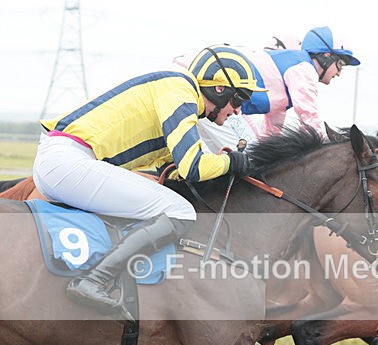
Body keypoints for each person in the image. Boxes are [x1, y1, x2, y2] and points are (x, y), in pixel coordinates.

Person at [33, 46, 266, 311]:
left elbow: (173, 168)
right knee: (180, 211)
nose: (237, 111)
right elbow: (193, 166)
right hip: (69, 162)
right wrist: (230, 162)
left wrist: (223, 168)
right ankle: (94, 280)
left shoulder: (177, 93)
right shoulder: (181, 91)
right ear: (219, 89)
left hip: (64, 161)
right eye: (239, 100)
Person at [192, 26, 360, 152]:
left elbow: (269, 134)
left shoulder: (284, 89)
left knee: (252, 157)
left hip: (217, 106)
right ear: (326, 56)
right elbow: (309, 116)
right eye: (341, 64)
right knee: (250, 160)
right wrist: (327, 151)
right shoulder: (304, 68)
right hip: (212, 101)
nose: (339, 72)